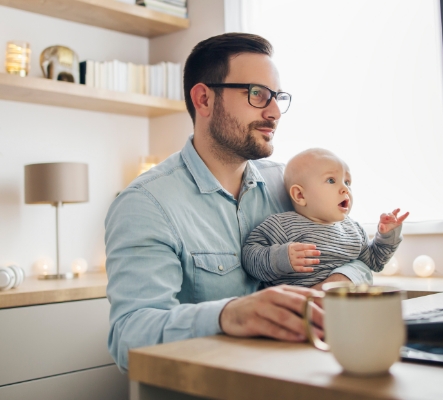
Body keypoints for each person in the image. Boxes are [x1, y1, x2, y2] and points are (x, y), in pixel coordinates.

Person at [104, 33, 373, 372]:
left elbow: (361, 256)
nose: (274, 112)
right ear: (204, 99)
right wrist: (227, 315)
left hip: (306, 376)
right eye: (257, 94)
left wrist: (338, 282)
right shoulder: (145, 204)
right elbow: (129, 338)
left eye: (277, 97)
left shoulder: (290, 185)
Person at [243, 148, 409, 287]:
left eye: (347, 182)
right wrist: (281, 257)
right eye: (331, 180)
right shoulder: (281, 225)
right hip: (295, 312)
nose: (345, 189)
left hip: (343, 309)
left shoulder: (353, 230)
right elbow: (250, 256)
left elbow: (375, 262)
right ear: (300, 195)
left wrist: (387, 235)